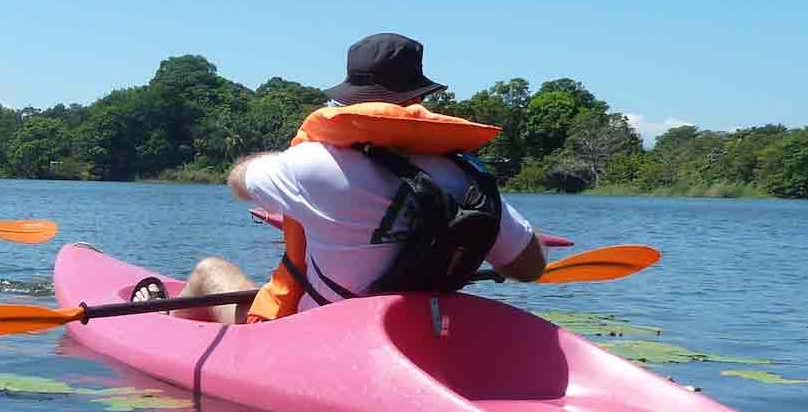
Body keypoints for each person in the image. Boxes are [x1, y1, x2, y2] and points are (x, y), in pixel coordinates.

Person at [154, 33, 546, 323]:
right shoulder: (467, 180)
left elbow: (238, 181)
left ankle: (162, 339)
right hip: (417, 337)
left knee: (210, 271)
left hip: (313, 340)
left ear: (350, 99)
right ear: (416, 100)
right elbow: (529, 268)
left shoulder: (313, 166)